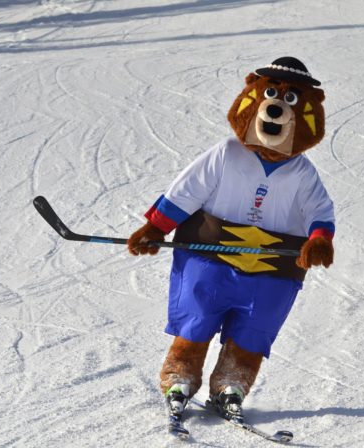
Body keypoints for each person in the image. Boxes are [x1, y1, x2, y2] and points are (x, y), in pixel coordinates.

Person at [127, 57, 335, 428]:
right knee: (197, 316)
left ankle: (231, 383)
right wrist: (156, 227)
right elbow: (186, 192)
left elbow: (319, 209)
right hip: (211, 256)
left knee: (254, 328)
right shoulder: (226, 153)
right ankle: (181, 377)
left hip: (271, 266)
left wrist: (319, 238)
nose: (275, 108)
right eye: (270, 96)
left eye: (289, 101)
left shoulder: (302, 172)